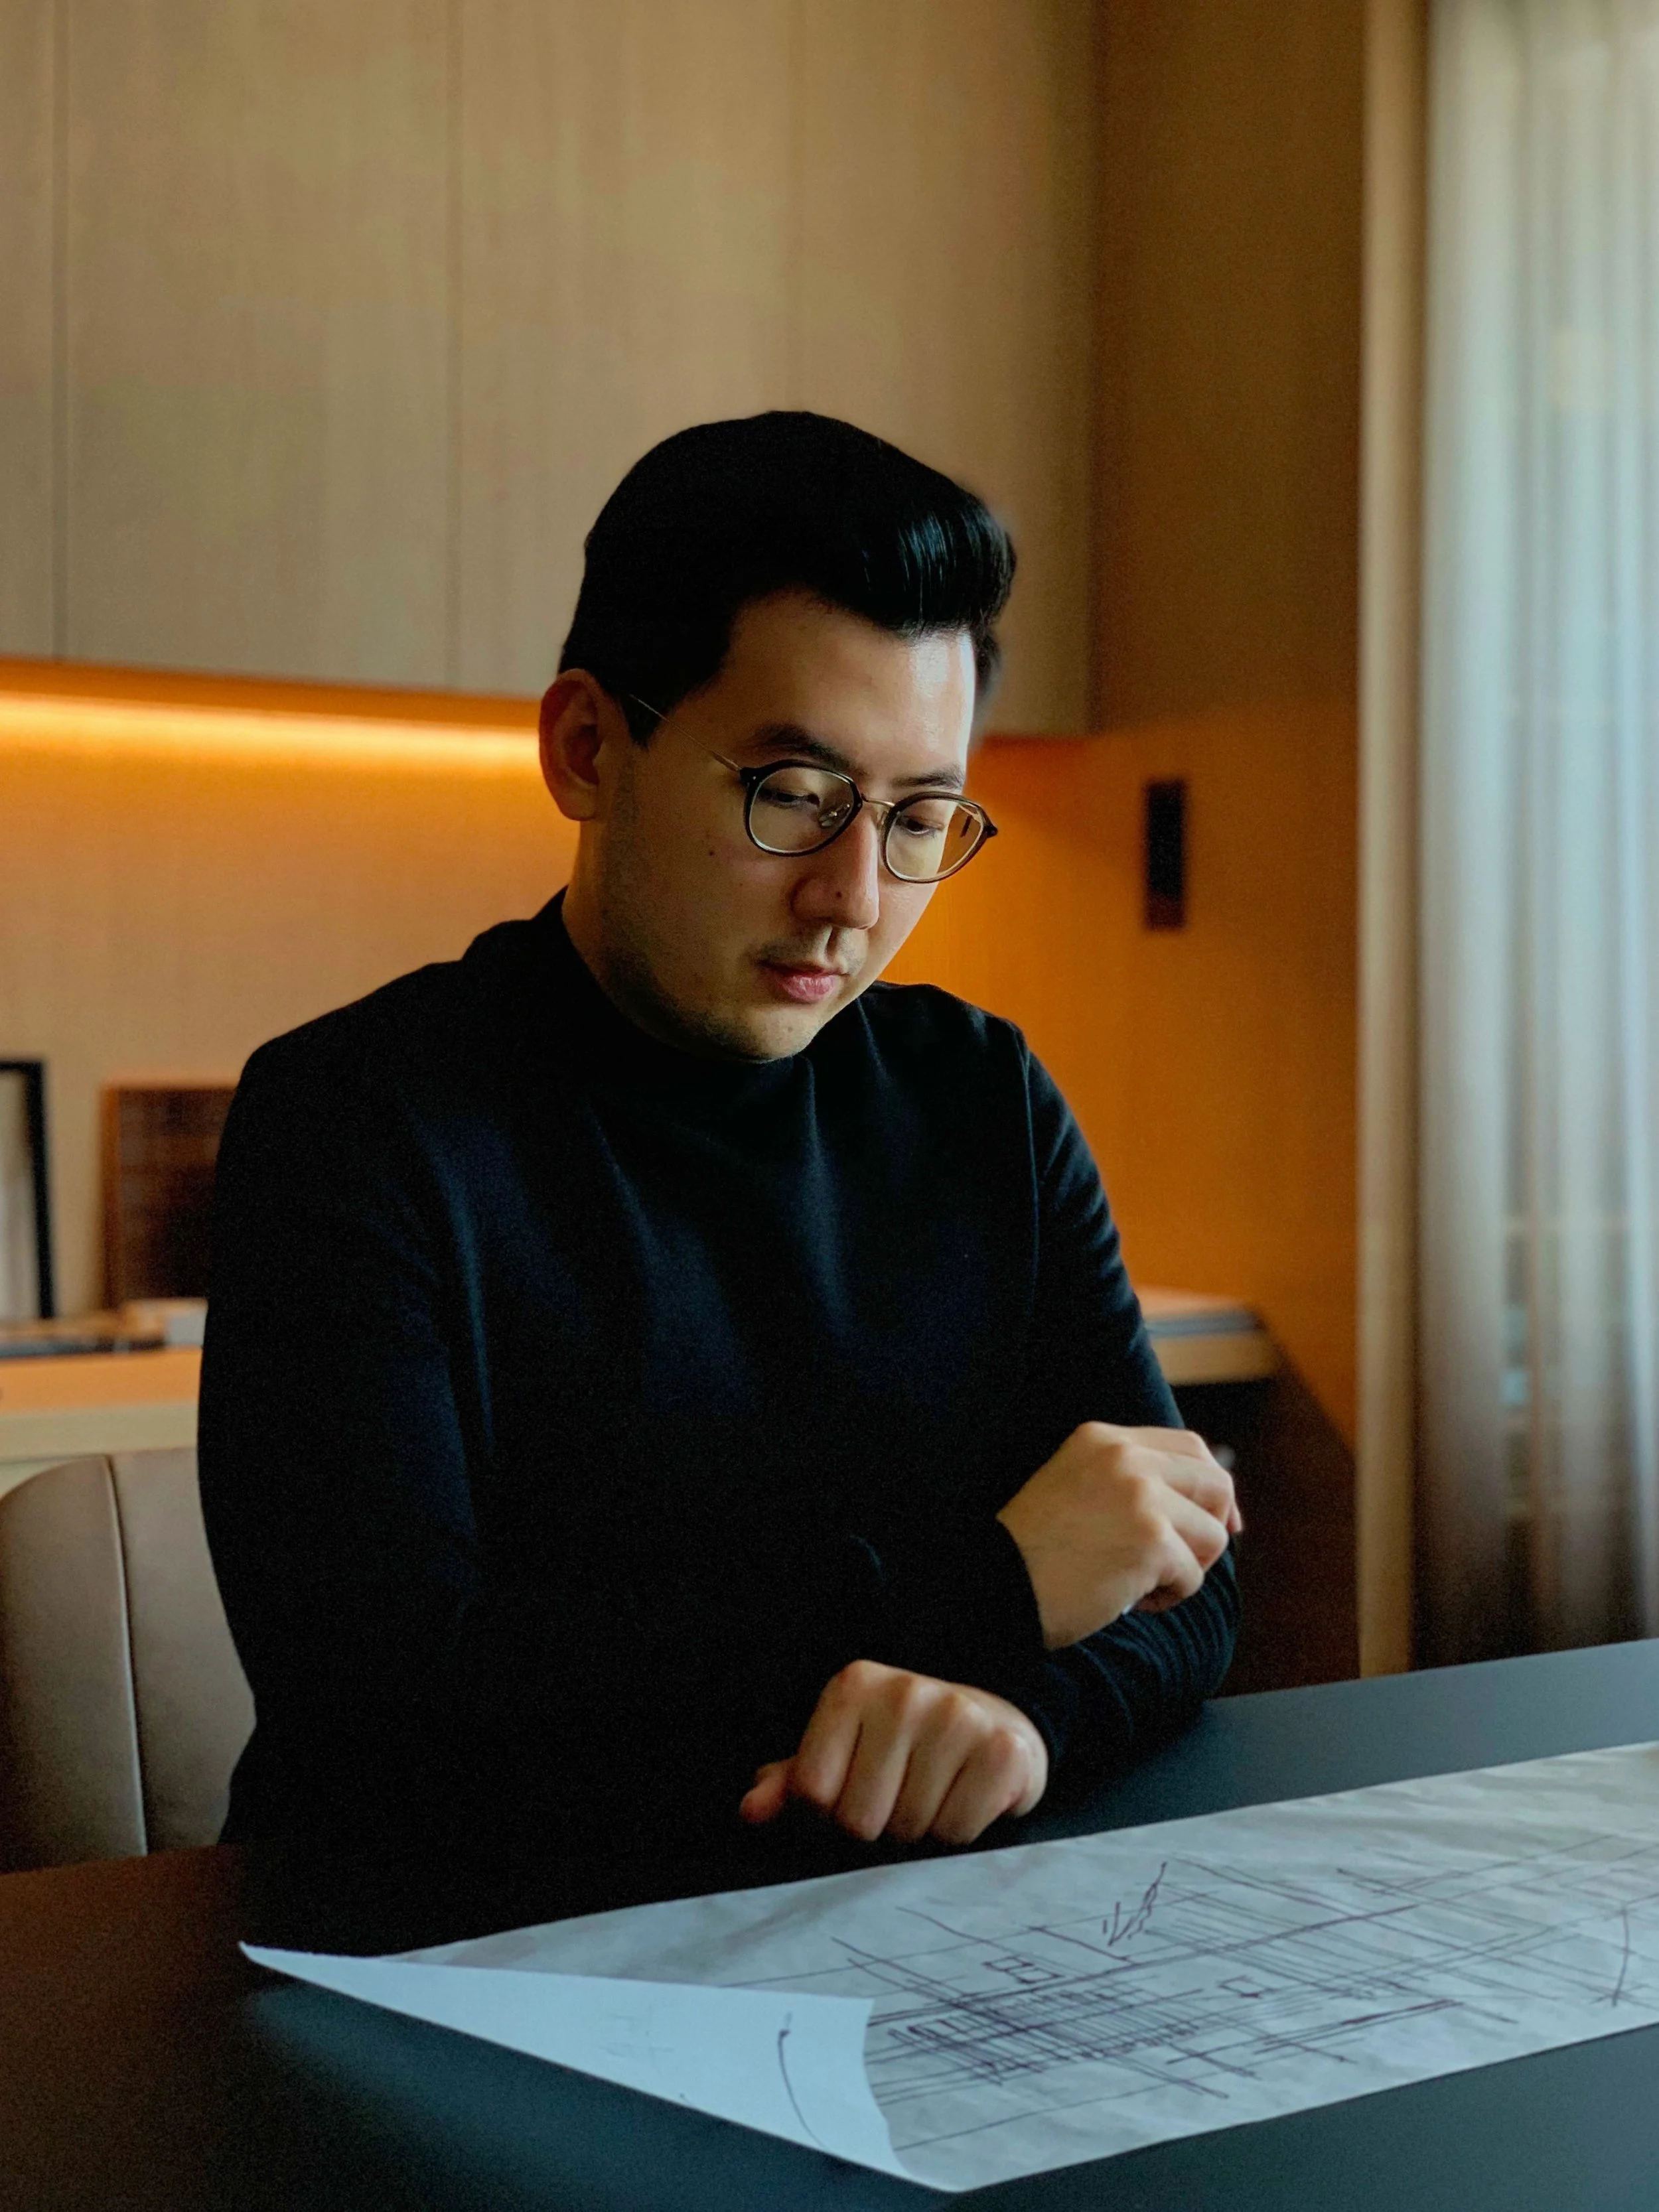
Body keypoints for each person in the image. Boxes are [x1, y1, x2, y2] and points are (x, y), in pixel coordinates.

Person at [200, 412, 1239, 1948]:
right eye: (795, 794)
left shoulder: (979, 1097)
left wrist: (1030, 1727)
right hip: (442, 1970)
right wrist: (994, 1595)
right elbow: (402, 1721)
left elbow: (1175, 1566)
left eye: (915, 817)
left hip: (886, 1944)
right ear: (585, 749)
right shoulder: (358, 1120)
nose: (854, 895)